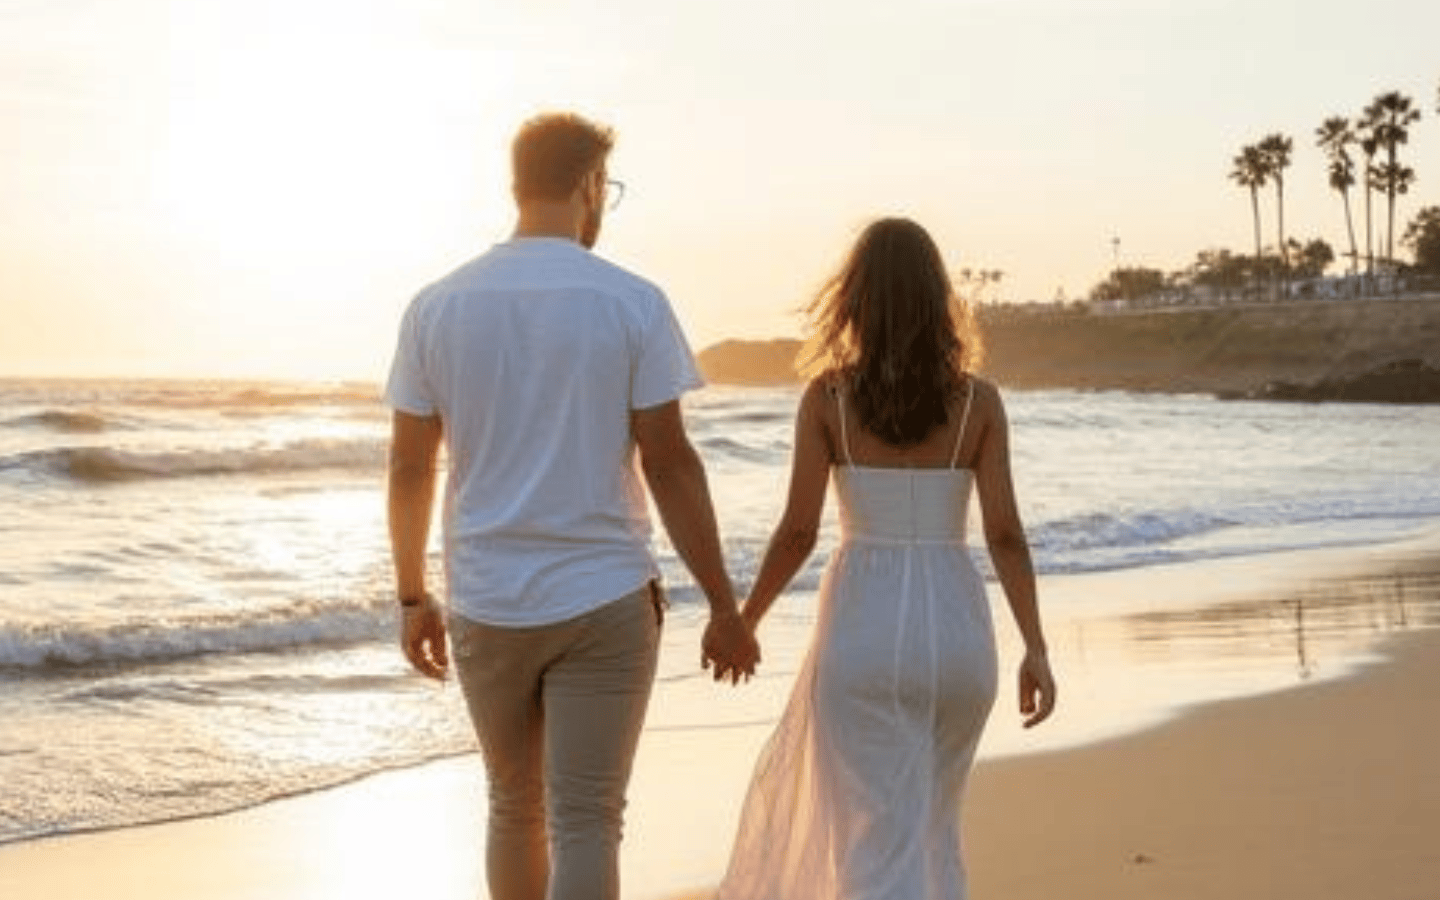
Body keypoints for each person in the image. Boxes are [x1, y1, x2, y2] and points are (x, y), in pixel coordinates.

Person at [384, 111, 759, 900]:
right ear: (590, 184)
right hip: (605, 597)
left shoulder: (436, 304)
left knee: (512, 807)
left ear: (517, 184)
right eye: (607, 189)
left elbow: (410, 466)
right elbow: (669, 462)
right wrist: (725, 604)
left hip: (485, 599)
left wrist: (414, 596)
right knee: (588, 817)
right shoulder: (631, 302)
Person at [716, 217, 1056, 900]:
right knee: (935, 830)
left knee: (871, 841)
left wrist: (742, 619)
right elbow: (1006, 534)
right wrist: (1036, 648)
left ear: (856, 299)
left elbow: (796, 534)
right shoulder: (978, 402)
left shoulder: (828, 399)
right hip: (957, 635)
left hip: (863, 630)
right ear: (939, 298)